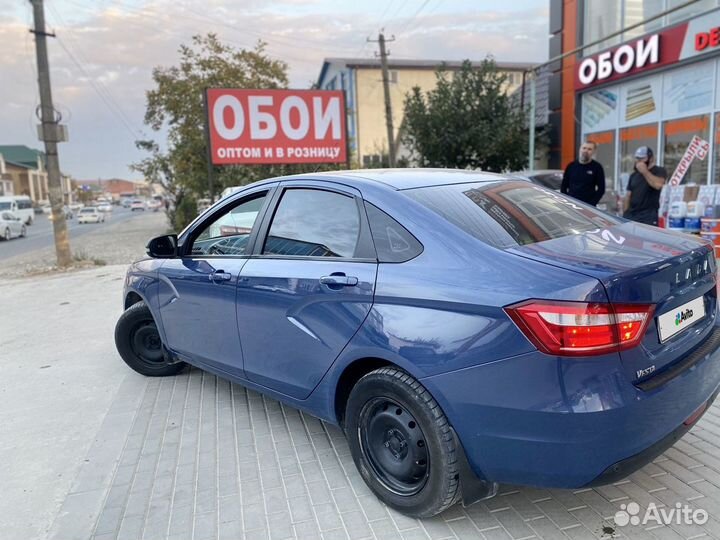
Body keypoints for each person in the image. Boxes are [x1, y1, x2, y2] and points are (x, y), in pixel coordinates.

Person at [623, 146, 667, 226]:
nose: (639, 161)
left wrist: (645, 172)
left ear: (650, 159)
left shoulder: (659, 170)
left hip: (648, 215)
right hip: (632, 215)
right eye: (637, 158)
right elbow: (628, 195)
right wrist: (625, 212)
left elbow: (658, 185)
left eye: (642, 158)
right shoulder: (634, 175)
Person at [561, 140, 606, 206]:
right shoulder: (571, 166)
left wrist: (592, 204)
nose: (585, 151)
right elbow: (563, 186)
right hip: (571, 205)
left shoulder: (597, 167)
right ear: (580, 149)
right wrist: (566, 201)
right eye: (584, 148)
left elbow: (601, 189)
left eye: (589, 149)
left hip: (588, 206)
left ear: (593, 152)